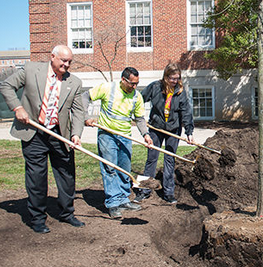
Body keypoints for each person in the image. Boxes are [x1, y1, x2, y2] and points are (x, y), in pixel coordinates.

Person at [0, 45, 85, 233]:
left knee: (66, 175)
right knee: (37, 177)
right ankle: (37, 218)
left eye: (70, 61)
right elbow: (6, 85)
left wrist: (76, 134)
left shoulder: (75, 82)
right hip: (34, 133)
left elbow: (78, 111)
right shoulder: (31, 70)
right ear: (52, 57)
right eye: (63, 60)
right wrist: (17, 108)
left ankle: (67, 213)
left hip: (59, 134)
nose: (67, 65)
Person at [83, 67, 153, 219]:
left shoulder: (137, 96)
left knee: (124, 169)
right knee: (110, 168)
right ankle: (113, 202)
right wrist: (86, 116)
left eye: (137, 84)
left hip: (125, 137)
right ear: (123, 80)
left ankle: (123, 199)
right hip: (107, 135)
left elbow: (140, 119)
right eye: (132, 84)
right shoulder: (107, 88)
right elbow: (84, 97)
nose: (134, 87)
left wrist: (145, 135)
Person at [133, 63, 194, 204]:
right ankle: (144, 191)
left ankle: (169, 193)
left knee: (169, 160)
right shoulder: (155, 87)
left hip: (173, 130)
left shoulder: (180, 91)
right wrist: (135, 113)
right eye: (172, 78)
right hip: (156, 128)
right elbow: (140, 99)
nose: (175, 81)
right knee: (152, 158)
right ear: (166, 77)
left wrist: (189, 132)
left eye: (177, 78)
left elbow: (186, 112)